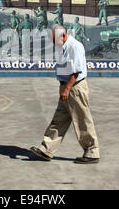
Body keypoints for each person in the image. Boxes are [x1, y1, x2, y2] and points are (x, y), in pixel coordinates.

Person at [30, 24, 100, 164]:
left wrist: (67, 89)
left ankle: (92, 152)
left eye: (53, 39)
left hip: (74, 88)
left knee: (82, 120)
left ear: (62, 35)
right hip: (67, 87)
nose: (52, 42)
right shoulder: (64, 46)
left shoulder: (74, 46)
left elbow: (77, 71)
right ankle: (47, 150)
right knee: (59, 119)